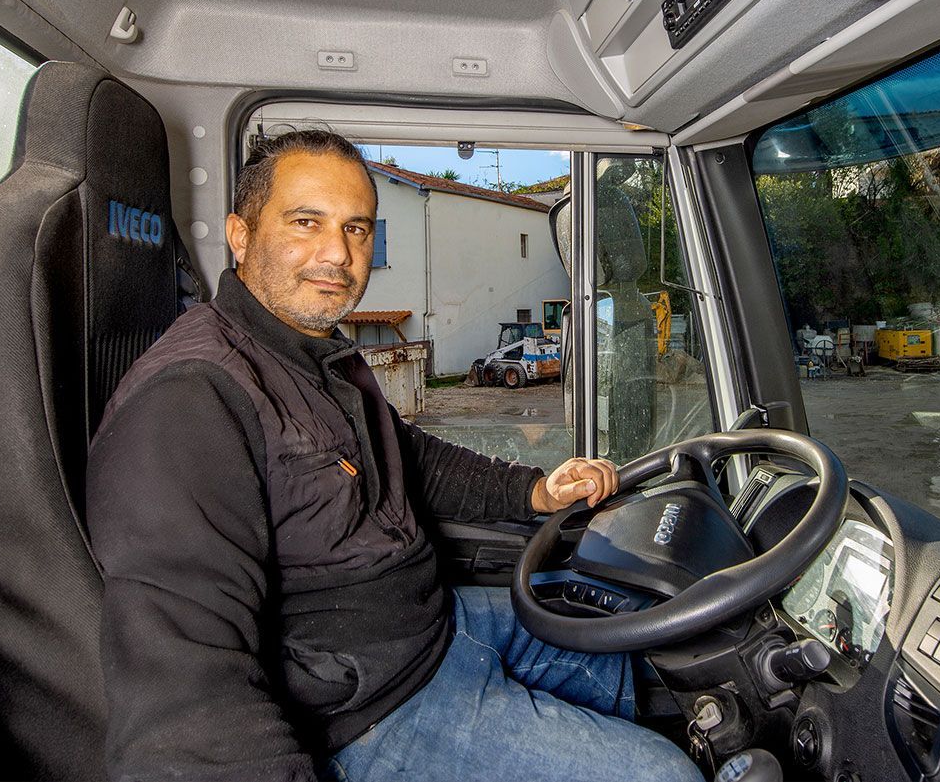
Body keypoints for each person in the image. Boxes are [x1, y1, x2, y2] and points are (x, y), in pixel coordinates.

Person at [86, 129, 704, 782]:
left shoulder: (319, 352)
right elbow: (187, 700)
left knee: (628, 636)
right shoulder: (190, 399)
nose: (337, 252)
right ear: (241, 236)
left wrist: (536, 491)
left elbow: (405, 456)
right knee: (666, 777)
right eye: (306, 222)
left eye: (356, 229)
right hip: (367, 711)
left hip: (435, 626)